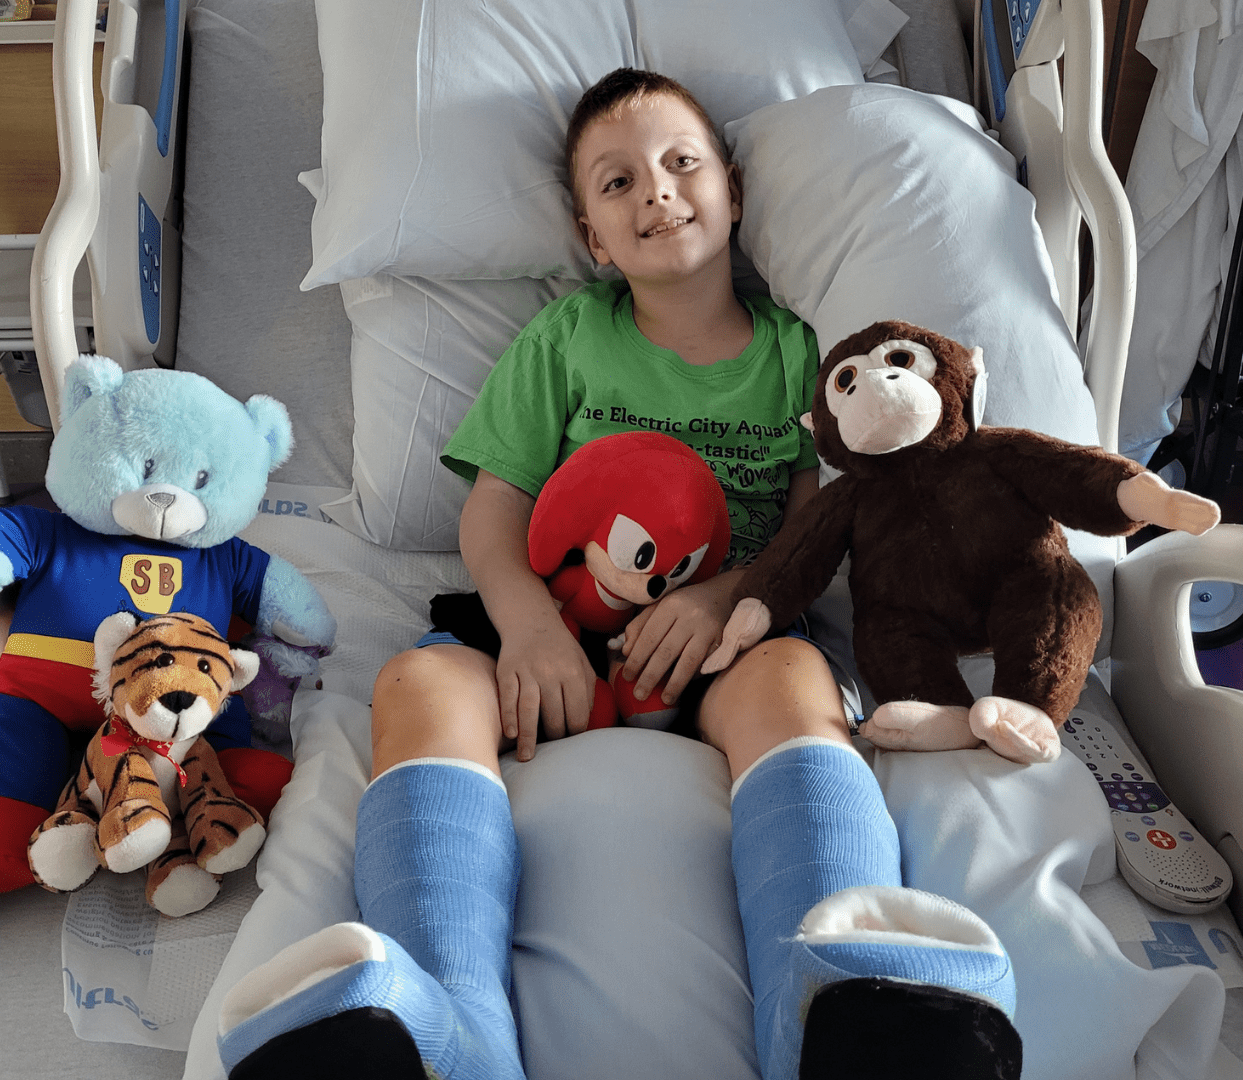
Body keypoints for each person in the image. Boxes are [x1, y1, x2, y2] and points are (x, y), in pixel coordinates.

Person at [215, 69, 1022, 1080]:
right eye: (617, 182)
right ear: (593, 238)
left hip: (727, 635)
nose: (657, 191)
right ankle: (449, 1028)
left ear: (731, 190)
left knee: (795, 684)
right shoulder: (565, 340)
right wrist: (529, 629)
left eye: (683, 163)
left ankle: (835, 1003)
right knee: (418, 685)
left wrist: (728, 597)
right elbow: (494, 510)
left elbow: (815, 532)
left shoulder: (799, 360)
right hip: (557, 629)